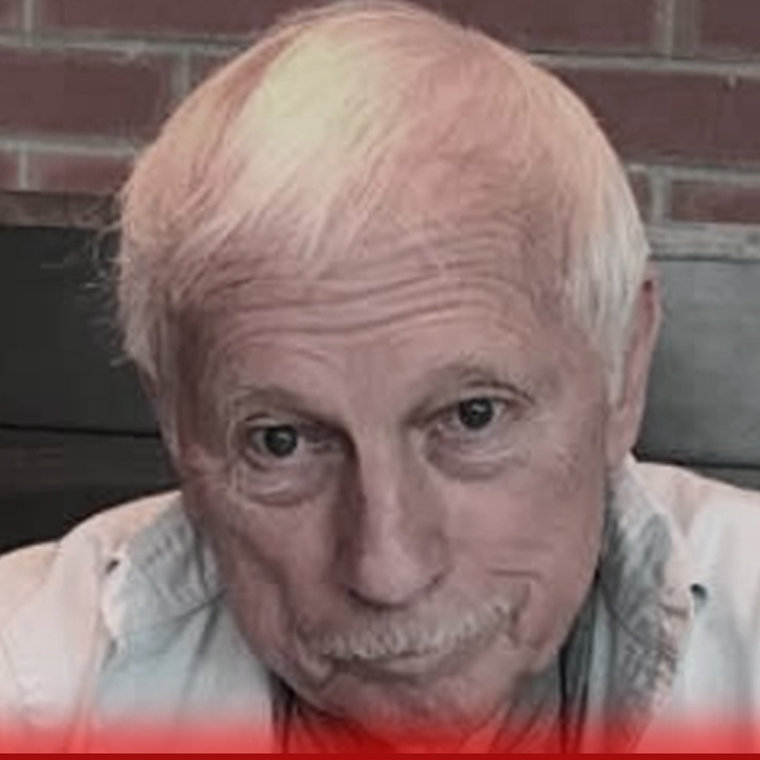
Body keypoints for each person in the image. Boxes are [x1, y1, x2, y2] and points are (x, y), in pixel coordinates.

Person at [1, 0, 760, 752]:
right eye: (280, 441)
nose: (387, 572)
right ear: (176, 423)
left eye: (473, 416)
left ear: (624, 365)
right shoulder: (31, 677)